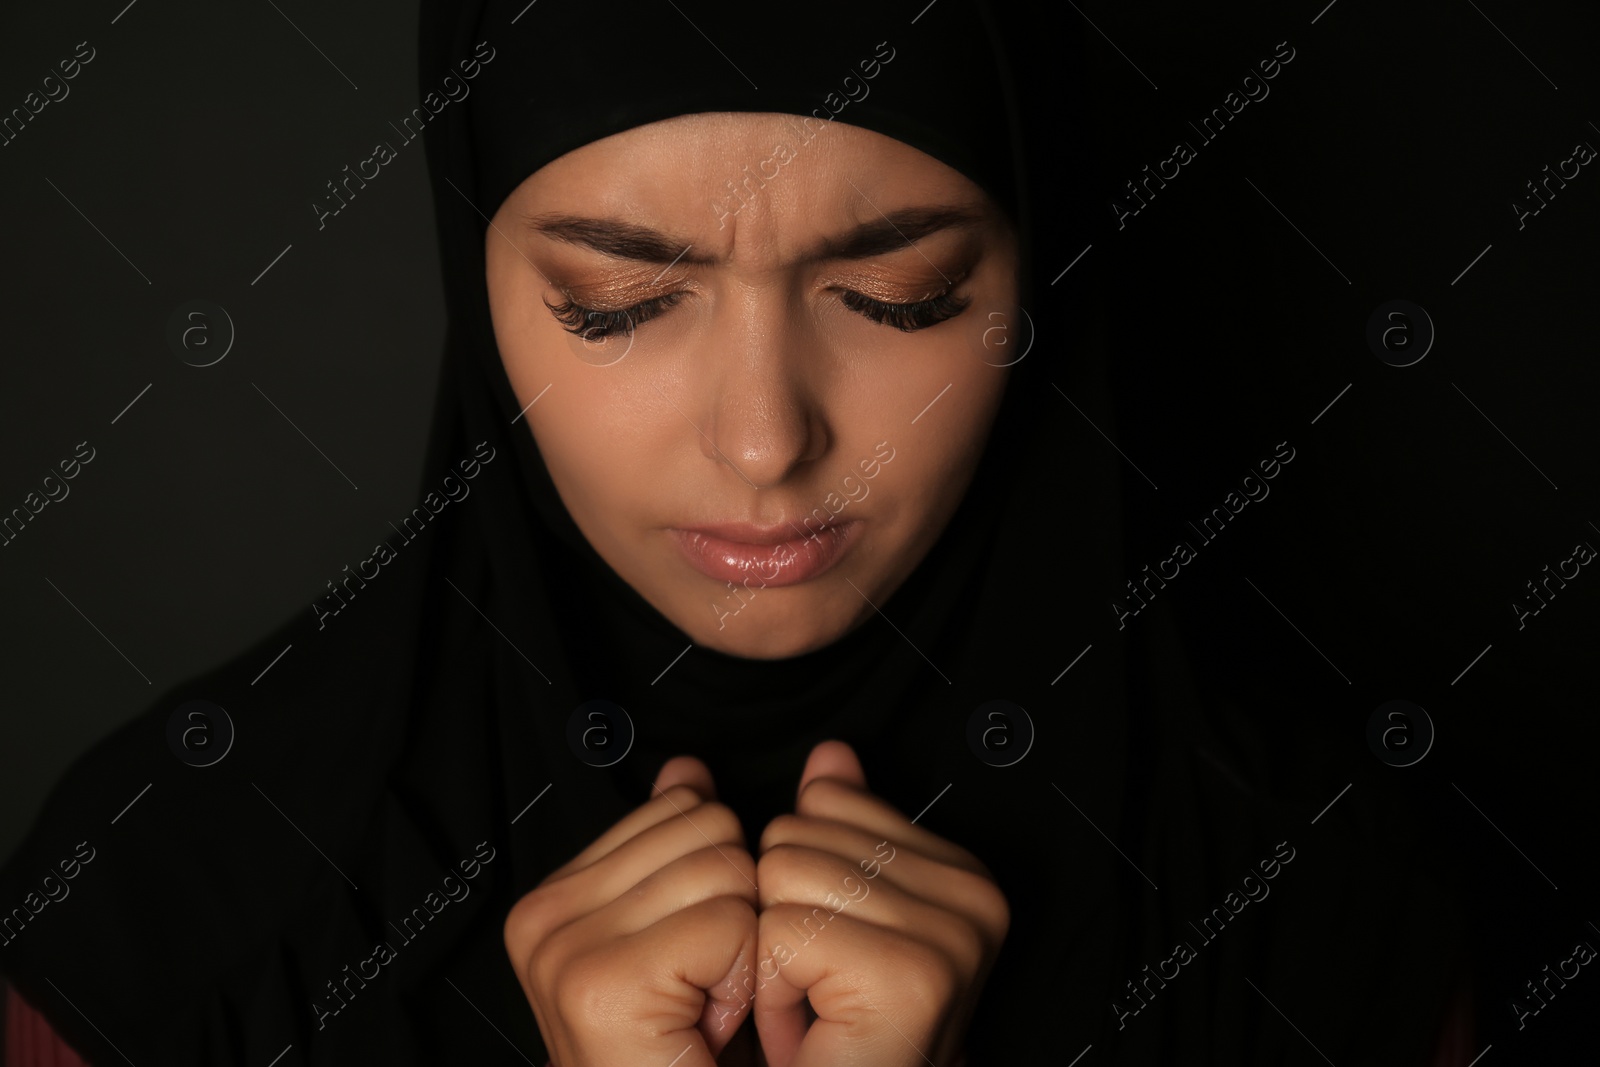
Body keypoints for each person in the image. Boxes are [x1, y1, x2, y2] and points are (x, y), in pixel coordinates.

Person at [0, 1, 1470, 1064]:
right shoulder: (170, 909)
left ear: (1039, 271)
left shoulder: (1326, 892)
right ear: (475, 270)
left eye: (901, 295)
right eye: (620, 306)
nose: (767, 440)